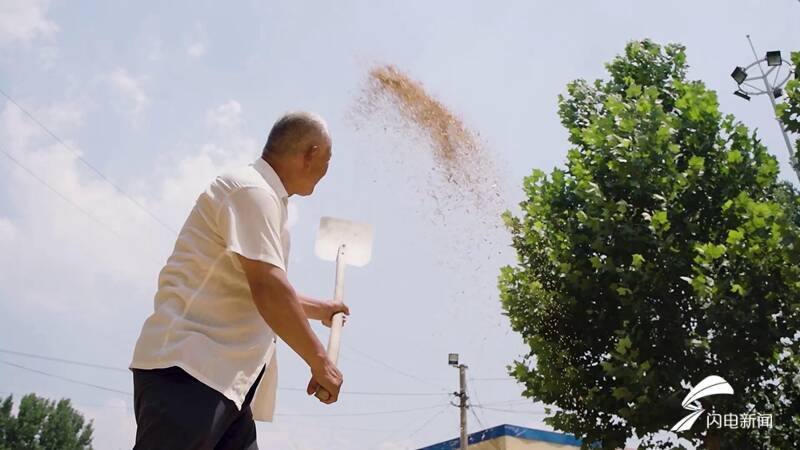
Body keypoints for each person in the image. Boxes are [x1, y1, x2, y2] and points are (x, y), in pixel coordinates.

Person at [129, 111, 348, 449]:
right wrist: (320, 362)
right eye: (329, 159)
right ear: (311, 153)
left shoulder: (267, 199)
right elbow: (268, 288)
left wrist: (320, 309)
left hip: (227, 385)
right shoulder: (251, 190)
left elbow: (256, 284)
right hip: (188, 369)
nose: (328, 170)